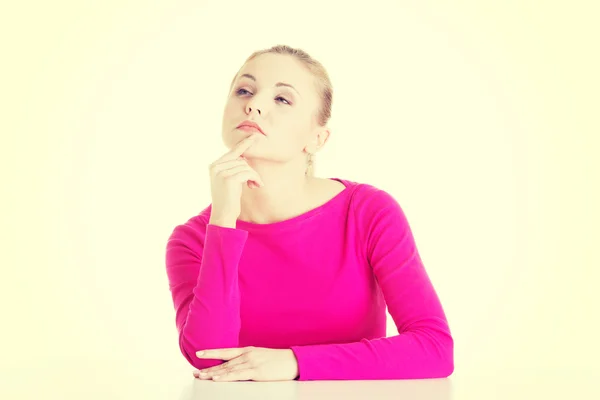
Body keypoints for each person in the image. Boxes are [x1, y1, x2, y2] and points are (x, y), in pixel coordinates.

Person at [165, 44, 454, 382]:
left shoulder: (368, 213)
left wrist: (294, 362)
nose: (253, 104)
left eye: (282, 99)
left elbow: (434, 348)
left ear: (317, 138)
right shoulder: (192, 239)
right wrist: (224, 220)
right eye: (244, 90)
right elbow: (208, 358)